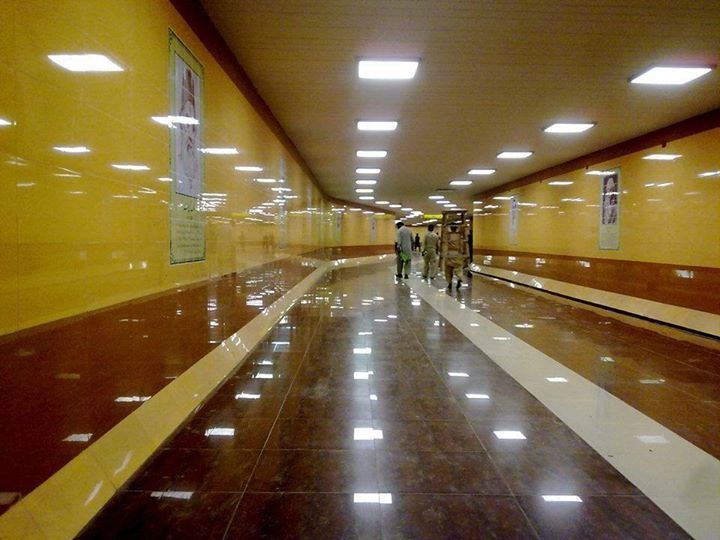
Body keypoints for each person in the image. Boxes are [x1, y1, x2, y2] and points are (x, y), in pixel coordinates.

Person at [443, 224, 466, 290]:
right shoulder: (459, 235)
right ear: (456, 228)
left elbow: (444, 233)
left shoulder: (448, 235)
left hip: (449, 254)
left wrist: (445, 226)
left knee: (448, 270)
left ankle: (449, 283)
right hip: (457, 254)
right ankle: (459, 277)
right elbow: (463, 231)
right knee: (458, 268)